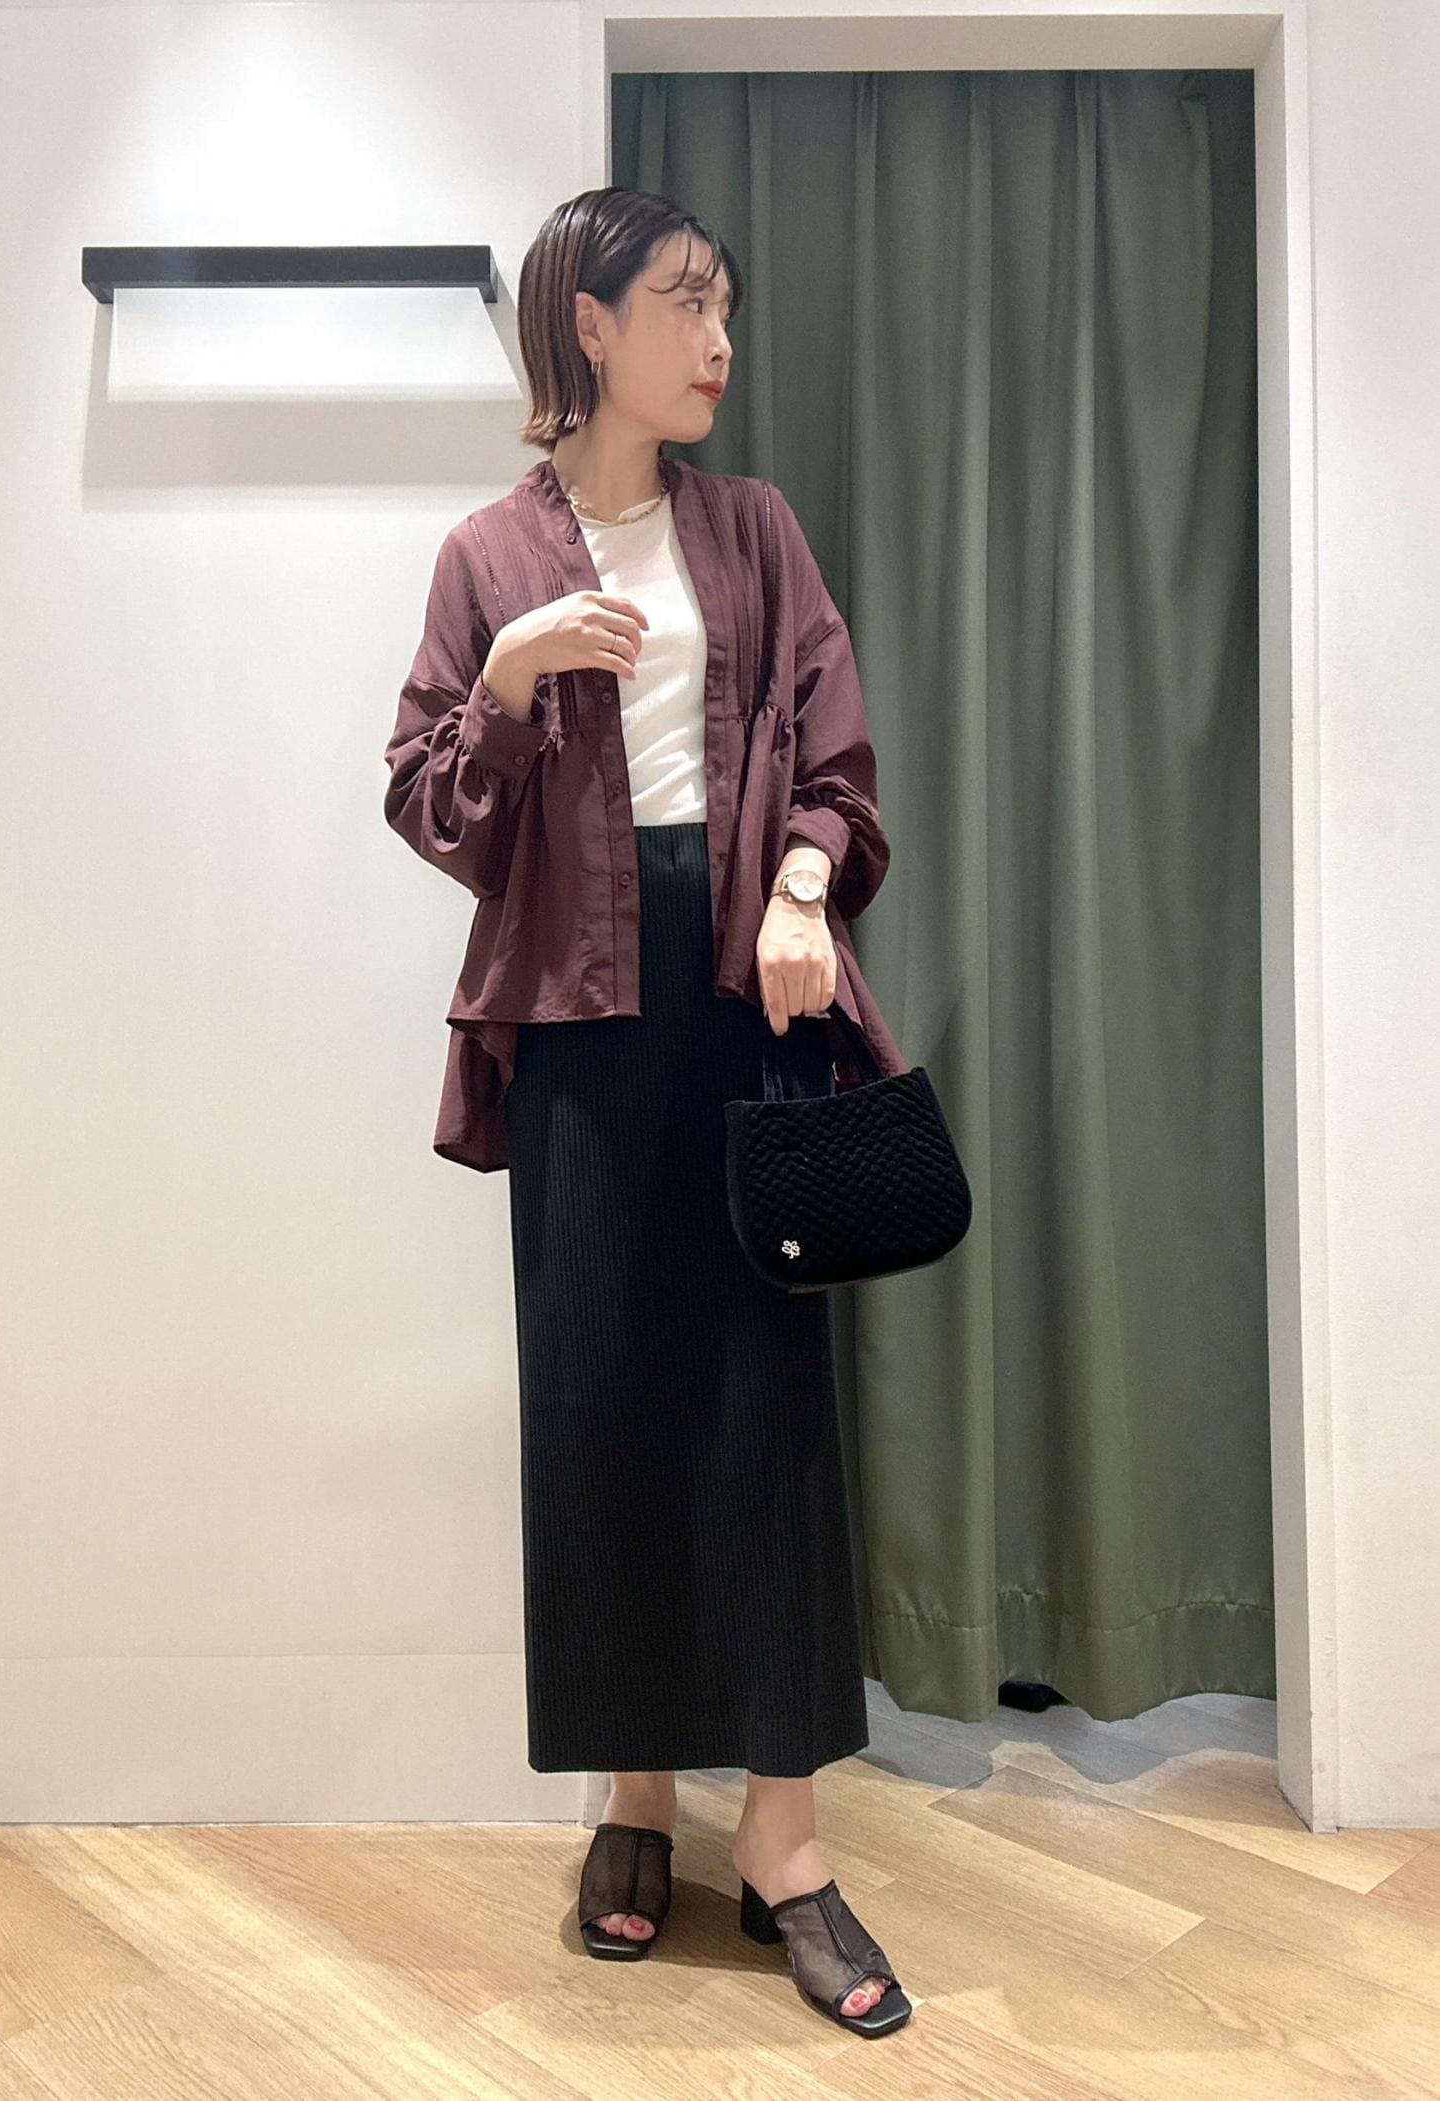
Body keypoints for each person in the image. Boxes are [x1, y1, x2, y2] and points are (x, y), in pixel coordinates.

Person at [383, 186, 911, 2039]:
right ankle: (633, 1793)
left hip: (744, 991)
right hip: (578, 1022)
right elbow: (434, 807)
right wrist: (510, 678)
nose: (720, 339)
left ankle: (785, 1836)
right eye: (688, 303)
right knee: (601, 1394)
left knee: (768, 1402)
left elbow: (835, 756)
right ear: (588, 322)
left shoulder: (752, 528)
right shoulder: (484, 556)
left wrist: (801, 888)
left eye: (727, 306)